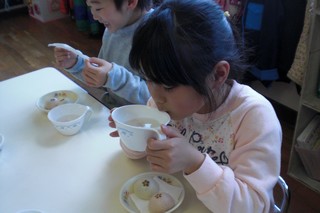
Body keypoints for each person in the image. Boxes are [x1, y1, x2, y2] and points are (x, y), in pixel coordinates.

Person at [109, 0, 282, 212]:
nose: (155, 95)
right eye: (147, 79)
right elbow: (138, 157)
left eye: (168, 85)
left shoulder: (253, 116)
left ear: (218, 75)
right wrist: (132, 132)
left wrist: (195, 162)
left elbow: (254, 206)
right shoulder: (164, 103)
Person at [53, 0, 153, 108]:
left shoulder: (158, 35)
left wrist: (113, 77)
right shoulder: (113, 29)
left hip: (144, 120)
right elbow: (103, 81)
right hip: (113, 111)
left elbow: (156, 99)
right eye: (90, 7)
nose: (94, 16)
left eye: (98, 8)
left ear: (130, 2)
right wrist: (76, 64)